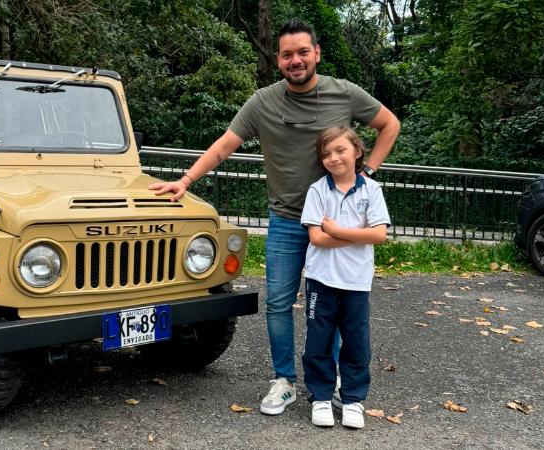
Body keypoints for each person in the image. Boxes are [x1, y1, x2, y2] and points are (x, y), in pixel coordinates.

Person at [147, 18, 401, 416]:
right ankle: (283, 381)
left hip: (332, 224)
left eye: (303, 52)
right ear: (278, 60)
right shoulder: (263, 101)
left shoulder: (345, 94)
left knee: (331, 303)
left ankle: (329, 377)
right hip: (285, 219)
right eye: (287, 55)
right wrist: (185, 179)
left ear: (316, 53)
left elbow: (390, 124)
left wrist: (368, 173)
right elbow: (225, 145)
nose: (295, 60)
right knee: (280, 303)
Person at [299, 126, 389, 429]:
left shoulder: (371, 191)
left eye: (340, 150)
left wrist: (337, 231)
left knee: (356, 342)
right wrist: (358, 235)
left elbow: (379, 235)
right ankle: (321, 396)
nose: (333, 158)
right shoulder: (317, 190)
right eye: (326, 154)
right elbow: (317, 239)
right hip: (320, 279)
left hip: (356, 282)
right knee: (318, 341)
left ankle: (352, 399)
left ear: (357, 152)